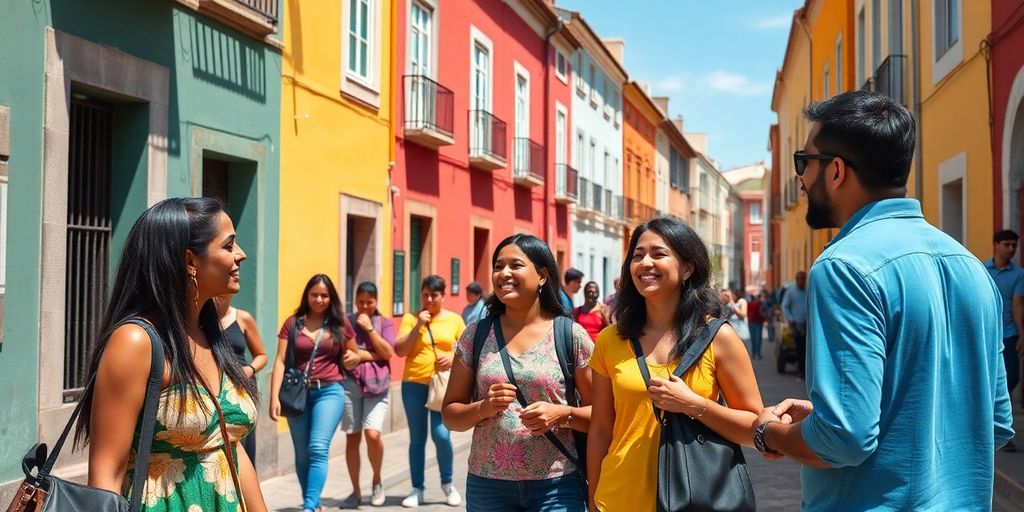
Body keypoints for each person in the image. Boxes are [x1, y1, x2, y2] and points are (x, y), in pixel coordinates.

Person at [753, 90, 1014, 510]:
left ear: (836, 171)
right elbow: (996, 421)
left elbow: (846, 438)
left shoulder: (843, 266)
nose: (800, 178)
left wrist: (770, 432)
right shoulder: (971, 267)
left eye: (804, 163)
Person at [76, 197, 268, 511]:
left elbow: (229, 446)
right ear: (191, 261)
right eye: (229, 245)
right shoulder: (135, 341)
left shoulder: (211, 335)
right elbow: (105, 476)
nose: (241, 255)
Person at [588, 217, 764, 512]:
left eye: (659, 254)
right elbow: (601, 429)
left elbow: (755, 428)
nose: (645, 263)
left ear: (688, 267)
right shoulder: (610, 340)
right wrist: (593, 500)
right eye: (638, 255)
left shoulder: (717, 338)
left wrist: (694, 405)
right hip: (618, 498)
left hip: (693, 497)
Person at [442, 234, 593, 511]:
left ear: (543, 275)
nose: (504, 273)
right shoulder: (475, 335)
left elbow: (604, 415)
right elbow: (451, 415)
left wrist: (563, 414)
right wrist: (484, 407)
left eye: (515, 265)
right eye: (498, 266)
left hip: (555, 486)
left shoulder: (571, 336)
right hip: (488, 486)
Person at [269, 274, 358, 512]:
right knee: (302, 453)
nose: (319, 299)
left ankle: (308, 507)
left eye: (324, 295)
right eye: (315, 294)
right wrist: (273, 397)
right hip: (297, 393)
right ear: (307, 296)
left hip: (330, 391)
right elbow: (279, 361)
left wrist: (354, 358)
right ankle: (314, 502)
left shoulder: (340, 324)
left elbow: (354, 354)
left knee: (318, 447)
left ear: (331, 298)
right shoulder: (293, 323)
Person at [395, 275, 466, 508]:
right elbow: (400, 350)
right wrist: (418, 326)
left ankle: (447, 484)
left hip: (443, 386)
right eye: (425, 295)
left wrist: (453, 356)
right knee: (417, 438)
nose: (429, 299)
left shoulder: (454, 320)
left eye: (434, 295)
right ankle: (417, 488)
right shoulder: (410, 318)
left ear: (443, 296)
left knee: (442, 435)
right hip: (414, 383)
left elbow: (468, 349)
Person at [340, 282, 396, 508]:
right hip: (350, 384)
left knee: (372, 434)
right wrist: (358, 355)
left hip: (377, 386)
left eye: (369, 302)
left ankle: (377, 480)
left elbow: (387, 352)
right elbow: (342, 351)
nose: (364, 306)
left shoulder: (384, 323)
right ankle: (355, 492)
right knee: (352, 437)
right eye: (360, 302)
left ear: (376, 301)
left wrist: (369, 335)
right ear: (354, 301)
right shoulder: (346, 321)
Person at [216, 294, 269, 466]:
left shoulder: (243, 318)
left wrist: (249, 370)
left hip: (240, 386)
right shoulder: (200, 319)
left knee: (243, 442)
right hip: (213, 386)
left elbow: (262, 356)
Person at [986, 229, 1024, 452]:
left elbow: (1018, 303)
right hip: (988, 334)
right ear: (996, 245)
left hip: (1008, 334)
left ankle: (1001, 425)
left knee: (1011, 378)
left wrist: (1021, 334)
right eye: (1007, 245)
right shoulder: (981, 269)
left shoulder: (1018, 274)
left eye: (1014, 246)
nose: (1011, 249)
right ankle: (1001, 431)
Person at [781, 271, 807, 379]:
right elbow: (785, 306)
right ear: (796, 280)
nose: (801, 281)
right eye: (799, 279)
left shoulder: (808, 291)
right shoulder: (791, 292)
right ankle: (801, 371)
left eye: (803, 279)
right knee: (799, 349)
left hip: (807, 325)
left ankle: (806, 372)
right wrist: (791, 320)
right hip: (796, 324)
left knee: (807, 350)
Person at [747, 290, 765, 359]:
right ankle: (755, 354)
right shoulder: (751, 304)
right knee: (754, 339)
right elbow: (748, 313)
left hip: (757, 322)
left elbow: (763, 312)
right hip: (752, 322)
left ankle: (757, 353)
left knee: (757, 339)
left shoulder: (760, 303)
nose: (758, 298)